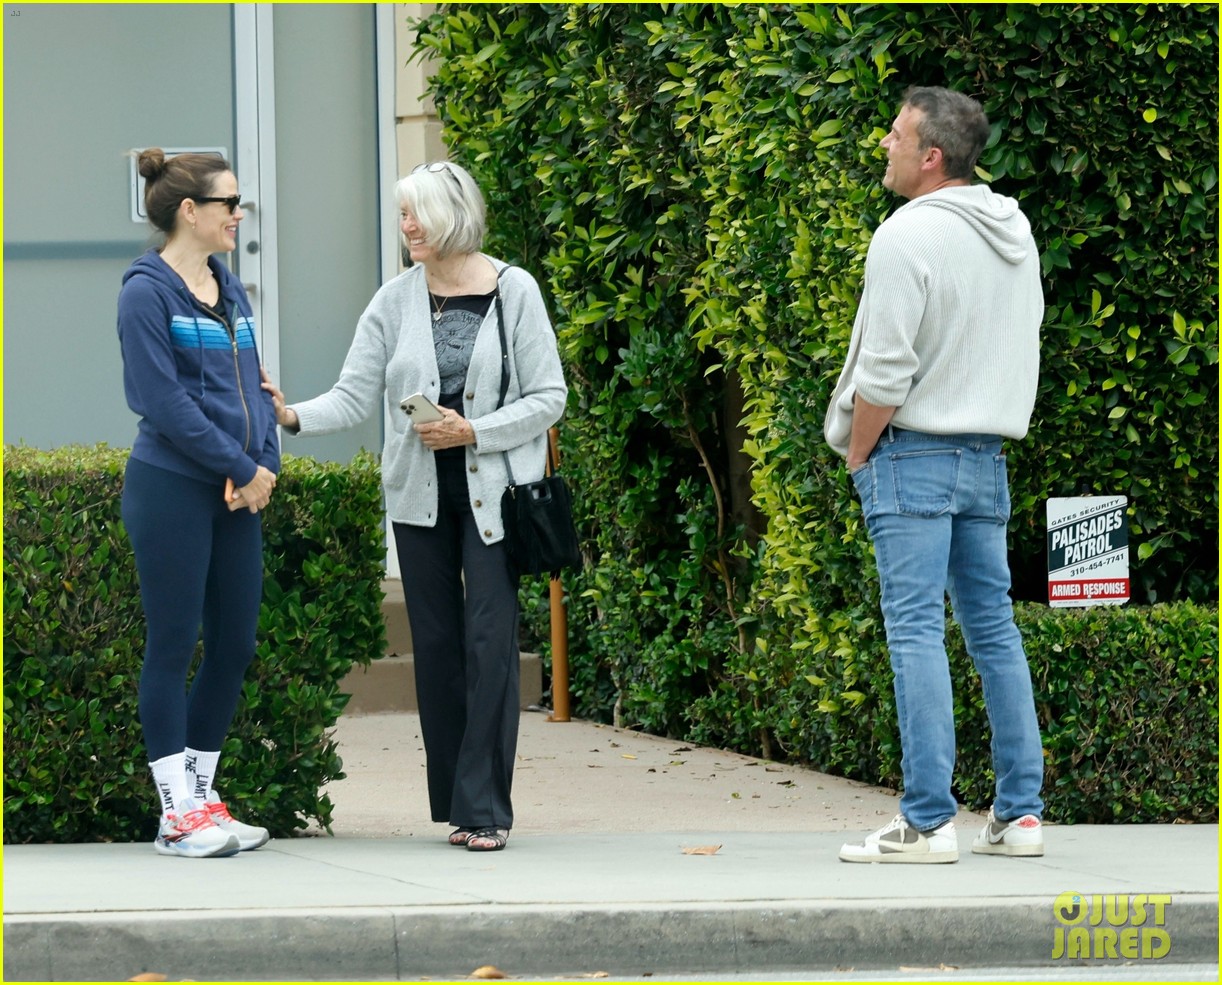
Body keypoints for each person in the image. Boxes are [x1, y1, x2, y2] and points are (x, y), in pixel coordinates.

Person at [262, 161, 567, 852]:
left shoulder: (513, 291)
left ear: (452, 215)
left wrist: (473, 430)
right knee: (435, 648)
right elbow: (352, 392)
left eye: (416, 213)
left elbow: (550, 397)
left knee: (489, 644)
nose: (406, 225)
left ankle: (485, 807)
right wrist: (289, 416)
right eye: (402, 213)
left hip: (494, 496)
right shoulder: (394, 299)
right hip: (418, 498)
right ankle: (456, 802)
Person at [824, 87, 1046, 863]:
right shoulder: (1013, 231)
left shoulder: (904, 237)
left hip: (913, 451)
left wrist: (858, 450)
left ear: (931, 156)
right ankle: (1020, 816)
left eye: (895, 134)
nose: (882, 144)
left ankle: (925, 822)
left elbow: (885, 370)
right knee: (993, 629)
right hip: (987, 453)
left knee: (914, 629)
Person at [118, 149, 280, 858]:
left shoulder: (228, 285)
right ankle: (174, 815)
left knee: (235, 643)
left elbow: (255, 385)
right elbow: (163, 401)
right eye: (229, 203)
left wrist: (262, 464)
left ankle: (202, 797)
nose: (238, 214)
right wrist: (237, 463)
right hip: (172, 487)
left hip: (237, 489)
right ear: (191, 210)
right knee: (174, 642)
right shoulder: (144, 292)